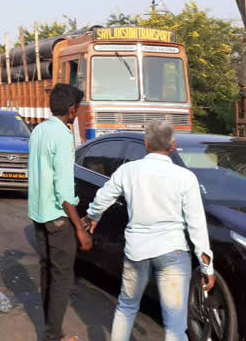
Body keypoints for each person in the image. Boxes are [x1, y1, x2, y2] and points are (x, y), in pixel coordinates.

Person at [83, 120, 215, 341]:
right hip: (173, 252)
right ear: (173, 146)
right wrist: (206, 266)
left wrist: (92, 217)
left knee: (126, 307)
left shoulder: (128, 171)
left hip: (137, 252)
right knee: (174, 325)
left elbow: (102, 198)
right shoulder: (185, 178)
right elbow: (196, 225)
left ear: (146, 144)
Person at [28, 83, 92, 341]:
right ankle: (54, 336)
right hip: (57, 217)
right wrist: (79, 229)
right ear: (72, 110)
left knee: (47, 273)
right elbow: (64, 190)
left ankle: (52, 330)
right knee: (62, 278)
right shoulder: (64, 136)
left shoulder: (39, 130)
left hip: (38, 214)